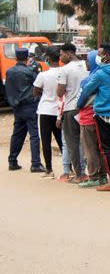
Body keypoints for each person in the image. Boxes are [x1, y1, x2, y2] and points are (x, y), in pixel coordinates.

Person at [77, 43, 110, 192]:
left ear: (106, 56)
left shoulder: (100, 74)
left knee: (106, 149)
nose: (98, 57)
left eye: (100, 54)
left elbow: (86, 90)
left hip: (102, 115)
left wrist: (80, 105)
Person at [7, 47, 44, 173]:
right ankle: (35, 163)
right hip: (30, 106)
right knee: (34, 135)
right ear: (27, 58)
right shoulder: (30, 71)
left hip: (17, 106)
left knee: (17, 134)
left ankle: (12, 161)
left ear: (16, 58)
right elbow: (38, 84)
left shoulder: (9, 71)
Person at [76, 50, 108, 188]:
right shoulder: (104, 76)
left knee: (90, 149)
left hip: (88, 118)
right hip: (100, 117)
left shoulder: (90, 79)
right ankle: (103, 176)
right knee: (100, 148)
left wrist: (78, 105)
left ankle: (93, 176)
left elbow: (81, 100)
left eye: (88, 60)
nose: (86, 63)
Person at [57, 42, 88, 182]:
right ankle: (90, 171)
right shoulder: (86, 65)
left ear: (69, 54)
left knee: (72, 143)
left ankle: (79, 174)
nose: (60, 56)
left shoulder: (65, 69)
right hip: (85, 108)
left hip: (70, 108)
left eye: (62, 54)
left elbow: (60, 92)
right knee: (86, 142)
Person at [32, 47, 63, 177]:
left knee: (46, 141)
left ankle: (49, 170)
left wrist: (42, 93)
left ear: (48, 59)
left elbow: (35, 92)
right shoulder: (64, 73)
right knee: (63, 141)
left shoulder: (43, 75)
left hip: (45, 111)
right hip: (60, 112)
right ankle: (70, 169)